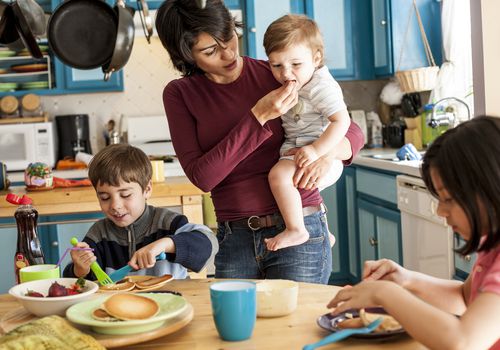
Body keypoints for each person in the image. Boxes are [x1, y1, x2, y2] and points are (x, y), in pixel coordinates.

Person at [155, 0, 364, 284]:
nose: (228, 53)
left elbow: (352, 130)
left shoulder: (278, 71)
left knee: (299, 327)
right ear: (186, 54)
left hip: (300, 227)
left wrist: (325, 154)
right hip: (235, 238)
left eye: (229, 37)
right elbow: (203, 177)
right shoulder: (181, 94)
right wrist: (258, 116)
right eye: (210, 50)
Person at [328, 116, 500, 349]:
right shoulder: (491, 244)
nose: (441, 211)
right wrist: (406, 280)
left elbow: (462, 342)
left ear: (489, 189)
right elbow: (463, 297)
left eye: (448, 199)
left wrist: (384, 293)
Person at [63, 144, 218, 280]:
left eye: (125, 195)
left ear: (147, 189)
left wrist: (166, 244)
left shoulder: (167, 223)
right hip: (118, 308)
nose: (115, 205)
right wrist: (80, 270)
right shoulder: (98, 234)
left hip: (171, 303)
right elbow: (74, 282)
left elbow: (209, 243)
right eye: (104, 197)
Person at [262, 14, 350, 251]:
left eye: (296, 65)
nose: (286, 74)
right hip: (302, 151)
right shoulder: (295, 83)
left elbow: (342, 121)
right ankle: (324, 232)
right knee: (297, 187)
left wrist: (317, 151)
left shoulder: (320, 86)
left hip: (320, 154)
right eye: (276, 65)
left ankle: (296, 230)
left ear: (316, 58)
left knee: (279, 177)